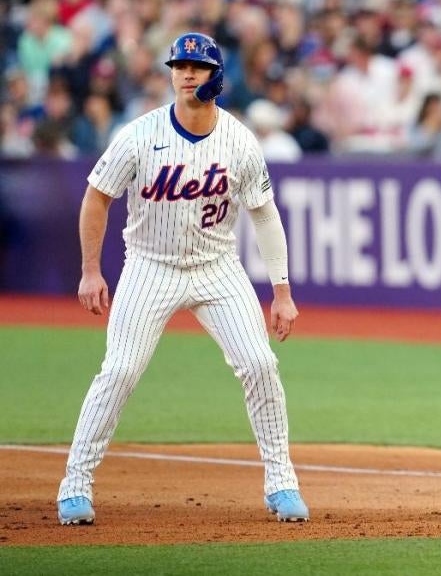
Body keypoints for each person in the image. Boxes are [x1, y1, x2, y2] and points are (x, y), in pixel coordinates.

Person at [56, 33, 309, 525]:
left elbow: (263, 214)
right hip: (150, 265)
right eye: (179, 65)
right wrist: (90, 270)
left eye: (197, 65)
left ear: (216, 75)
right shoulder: (138, 134)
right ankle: (74, 485)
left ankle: (282, 483)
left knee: (260, 363)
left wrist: (282, 291)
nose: (187, 73)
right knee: (120, 370)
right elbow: (97, 196)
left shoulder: (239, 139)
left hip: (218, 269)